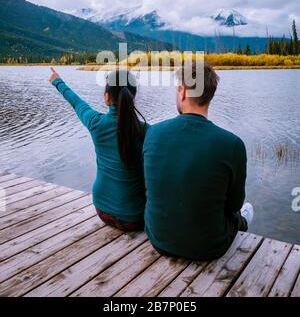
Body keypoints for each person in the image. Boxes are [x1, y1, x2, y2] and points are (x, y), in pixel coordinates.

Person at [143, 61, 254, 260]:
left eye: (177, 89)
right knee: (243, 212)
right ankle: (244, 223)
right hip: (209, 248)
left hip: (158, 239)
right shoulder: (232, 144)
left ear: (183, 92)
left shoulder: (152, 133)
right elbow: (234, 204)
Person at [49, 67, 146, 231]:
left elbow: (76, 102)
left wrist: (57, 81)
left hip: (103, 211)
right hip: (134, 218)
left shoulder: (96, 123)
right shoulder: (146, 131)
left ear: (106, 97)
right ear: (133, 98)